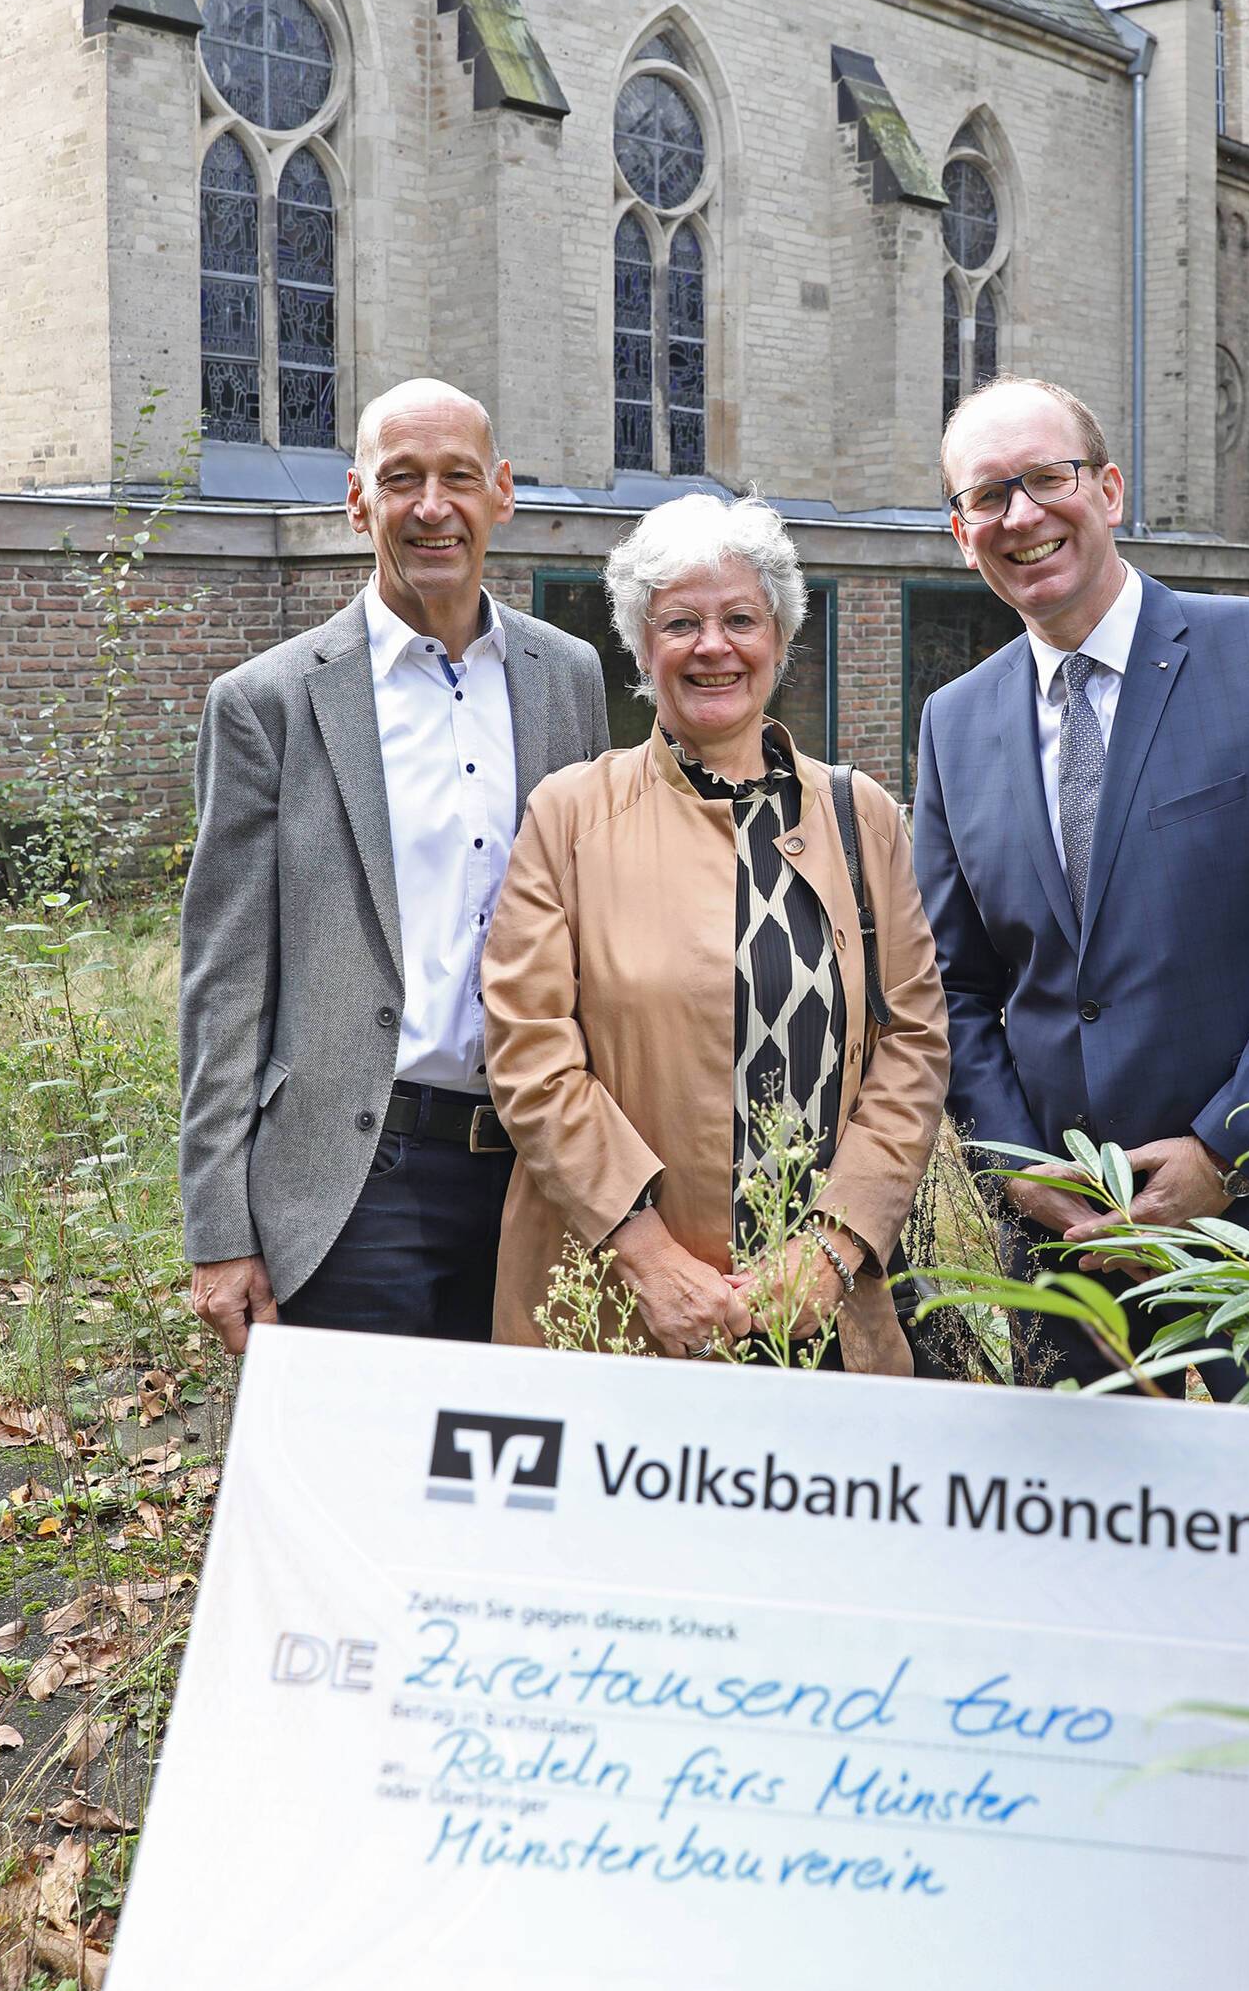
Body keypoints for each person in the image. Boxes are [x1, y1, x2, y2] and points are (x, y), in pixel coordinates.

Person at [911, 376, 1249, 1392]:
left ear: (1110, 490)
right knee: (1084, 1539)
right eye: (987, 497)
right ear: (961, 535)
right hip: (1068, 1249)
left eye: (1046, 479)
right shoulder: (952, 724)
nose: (1021, 515)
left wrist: (1224, 1148)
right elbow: (949, 988)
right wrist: (1020, 1172)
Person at [180, 378, 609, 1353]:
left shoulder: (567, 678)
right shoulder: (269, 704)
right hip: (350, 1179)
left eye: (458, 477)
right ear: (355, 499)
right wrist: (218, 1232)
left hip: (537, 1174)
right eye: (400, 478)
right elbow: (223, 982)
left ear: (500, 492)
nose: (431, 506)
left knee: (515, 1483)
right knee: (361, 1489)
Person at [482, 494, 948, 1370]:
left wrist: (834, 1249)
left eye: (741, 618)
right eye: (681, 623)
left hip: (823, 1314)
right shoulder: (570, 814)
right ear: (641, 643)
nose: (713, 646)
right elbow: (530, 1055)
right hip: (616, 1306)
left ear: (779, 636)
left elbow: (913, 1044)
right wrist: (649, 1258)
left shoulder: (862, 815)